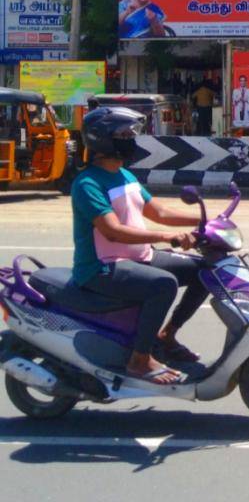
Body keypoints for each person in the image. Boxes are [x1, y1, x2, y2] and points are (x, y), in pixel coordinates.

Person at [71, 107, 209, 384]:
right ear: (102, 139)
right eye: (124, 134)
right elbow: (113, 232)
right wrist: (164, 237)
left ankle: (167, 335)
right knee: (163, 284)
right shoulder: (88, 183)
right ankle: (139, 359)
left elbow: (160, 213)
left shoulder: (126, 176)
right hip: (102, 267)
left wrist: (208, 219)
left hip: (138, 257)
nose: (131, 140)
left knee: (205, 272)